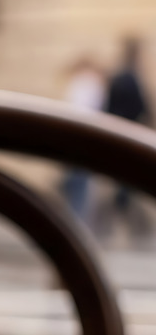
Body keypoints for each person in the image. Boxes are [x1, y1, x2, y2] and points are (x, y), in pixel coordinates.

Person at [103, 38, 151, 240]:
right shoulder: (132, 78)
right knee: (126, 182)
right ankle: (131, 223)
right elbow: (141, 108)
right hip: (129, 135)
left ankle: (128, 222)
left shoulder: (117, 77)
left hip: (116, 133)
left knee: (123, 181)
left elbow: (107, 107)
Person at [62, 56, 106, 226]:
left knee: (77, 180)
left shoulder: (80, 83)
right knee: (81, 181)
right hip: (85, 137)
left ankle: (73, 220)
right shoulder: (91, 84)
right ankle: (77, 221)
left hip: (76, 136)